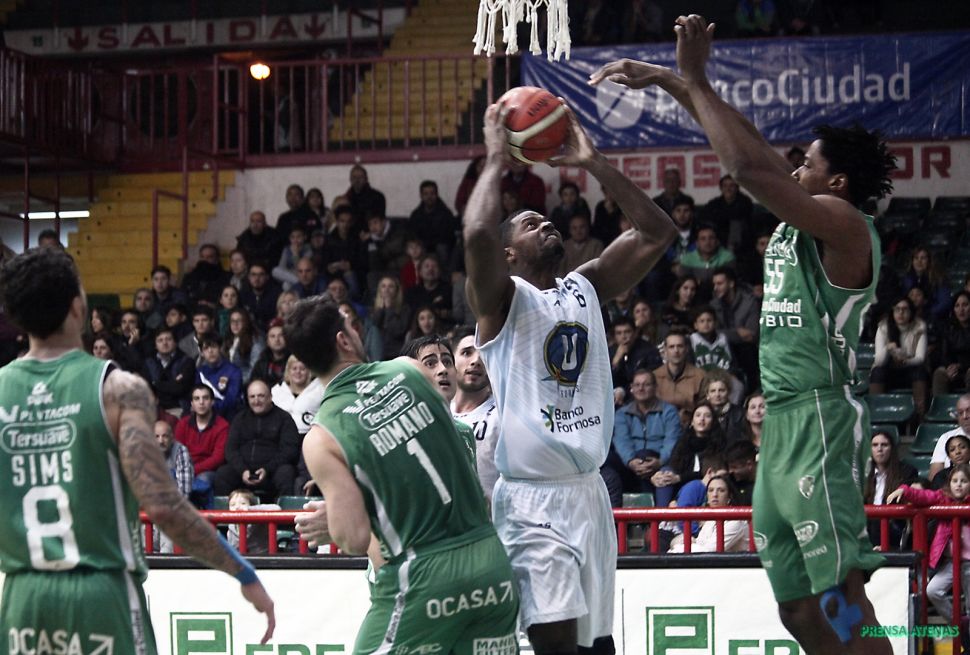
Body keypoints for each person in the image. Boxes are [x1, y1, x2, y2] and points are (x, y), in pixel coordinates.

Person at [590, 17, 896, 652]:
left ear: (837, 183)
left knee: (841, 594)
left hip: (819, 416)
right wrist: (671, 81)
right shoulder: (805, 212)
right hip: (780, 420)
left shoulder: (844, 224)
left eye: (807, 164)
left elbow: (748, 168)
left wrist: (695, 77)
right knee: (796, 607)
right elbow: (750, 146)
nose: (795, 167)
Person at [464, 96, 676, 654]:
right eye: (530, 224)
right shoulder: (502, 301)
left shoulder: (584, 286)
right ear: (508, 255)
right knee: (555, 642)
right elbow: (476, 237)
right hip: (530, 501)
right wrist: (495, 160)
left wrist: (594, 162)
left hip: (589, 493)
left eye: (545, 219)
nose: (546, 223)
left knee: (596, 647)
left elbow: (658, 232)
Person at [0, 248, 274, 648]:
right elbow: (163, 506)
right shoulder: (118, 390)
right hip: (101, 592)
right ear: (78, 307)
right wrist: (243, 572)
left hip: (22, 599)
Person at [286, 298, 520, 653]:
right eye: (352, 327)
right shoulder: (411, 371)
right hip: (490, 564)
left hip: (423, 576)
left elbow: (353, 538)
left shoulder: (322, 437)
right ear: (344, 340)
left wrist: (336, 519)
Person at [887, 465, 970, 622]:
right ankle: (960, 623)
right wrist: (905, 490)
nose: (959, 484)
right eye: (955, 481)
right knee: (932, 590)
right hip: (951, 561)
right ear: (949, 483)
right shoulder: (943, 497)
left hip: (969, 563)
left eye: (964, 481)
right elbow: (924, 496)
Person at [214, 378, 301, 498]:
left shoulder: (284, 418)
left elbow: (289, 451)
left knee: (286, 473)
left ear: (270, 397)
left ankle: (285, 510)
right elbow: (231, 449)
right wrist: (242, 470)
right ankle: (225, 510)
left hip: (272, 472)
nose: (256, 401)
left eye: (261, 396)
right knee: (222, 474)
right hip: (243, 472)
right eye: (252, 397)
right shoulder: (240, 419)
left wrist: (267, 469)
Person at [450, 328, 501, 499]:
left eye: (484, 354)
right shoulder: (438, 411)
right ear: (451, 360)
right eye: (467, 353)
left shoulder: (502, 415)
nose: (476, 361)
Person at [613, 369, 682, 493]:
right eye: (637, 385)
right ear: (631, 388)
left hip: (660, 461)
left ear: (655, 387)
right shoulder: (622, 414)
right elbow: (622, 441)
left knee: (664, 476)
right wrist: (631, 461)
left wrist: (660, 461)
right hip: (630, 464)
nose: (641, 388)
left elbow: (672, 440)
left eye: (646, 384)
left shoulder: (669, 411)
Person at [869, 296, 929, 417]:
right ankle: (875, 414)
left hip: (910, 369)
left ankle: (920, 416)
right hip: (889, 371)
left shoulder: (919, 326)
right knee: (877, 372)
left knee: (920, 372)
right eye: (897, 309)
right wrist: (887, 348)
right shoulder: (883, 327)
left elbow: (920, 358)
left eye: (905, 309)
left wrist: (905, 361)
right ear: (892, 311)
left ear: (911, 312)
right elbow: (879, 361)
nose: (901, 313)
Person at [862, 430, 917, 551]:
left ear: (892, 448)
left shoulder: (907, 471)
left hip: (895, 528)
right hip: (868, 529)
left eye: (884, 445)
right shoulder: (864, 474)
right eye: (875, 445)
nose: (879, 449)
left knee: (877, 521)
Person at [668, 474, 749, 552]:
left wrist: (676, 550)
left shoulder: (736, 520)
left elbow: (708, 551)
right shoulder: (710, 521)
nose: (715, 494)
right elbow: (699, 544)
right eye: (711, 490)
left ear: (729, 497)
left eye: (721, 490)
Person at [175, 384, 230, 488]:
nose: (201, 402)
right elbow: (177, 452)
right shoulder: (183, 424)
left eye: (205, 398)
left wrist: (193, 470)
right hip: (184, 468)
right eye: (197, 399)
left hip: (208, 471)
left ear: (212, 402)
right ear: (192, 404)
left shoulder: (222, 426)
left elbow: (218, 458)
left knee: (202, 480)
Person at [653, 328, 705, 426]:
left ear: (686, 349)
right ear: (665, 350)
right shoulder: (654, 377)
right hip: (660, 425)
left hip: (690, 426)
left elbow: (704, 407)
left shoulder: (700, 376)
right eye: (671, 347)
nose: (676, 351)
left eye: (680, 346)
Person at [142, 326, 196, 416]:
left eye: (168, 339)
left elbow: (180, 388)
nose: (165, 343)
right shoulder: (149, 363)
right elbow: (146, 389)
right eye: (160, 340)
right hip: (155, 409)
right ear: (155, 345)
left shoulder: (186, 361)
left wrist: (156, 383)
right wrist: (172, 384)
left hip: (179, 408)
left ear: (175, 342)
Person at [271, 355, 325, 436]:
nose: (298, 372)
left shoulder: (320, 391)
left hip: (310, 436)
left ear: (309, 371)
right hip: (279, 436)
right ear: (288, 371)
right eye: (294, 368)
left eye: (302, 369)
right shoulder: (277, 391)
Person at [196, 333, 243, 420]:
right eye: (206, 348)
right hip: (205, 415)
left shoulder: (233, 371)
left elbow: (231, 400)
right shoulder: (200, 372)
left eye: (213, 347)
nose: (210, 351)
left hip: (230, 417)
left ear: (220, 348)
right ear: (202, 353)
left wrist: (209, 407)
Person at [932, 291, 970, 395]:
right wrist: (949, 366)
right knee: (939, 373)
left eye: (965, 305)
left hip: (967, 367)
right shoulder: (948, 328)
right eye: (957, 306)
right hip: (955, 369)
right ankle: (940, 405)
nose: (961, 309)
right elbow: (944, 354)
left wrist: (961, 365)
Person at [929, 394, 970, 481]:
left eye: (969, 411)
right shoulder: (946, 438)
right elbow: (935, 479)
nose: (965, 416)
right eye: (960, 413)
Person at [372, 275, 412, 360]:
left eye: (391, 286)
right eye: (383, 286)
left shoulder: (405, 309)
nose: (387, 289)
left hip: (397, 353)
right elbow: (374, 327)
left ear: (396, 290)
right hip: (377, 353)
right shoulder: (374, 310)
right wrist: (381, 310)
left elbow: (398, 331)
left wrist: (389, 309)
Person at [726, 439, 758, 505]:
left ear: (749, 464)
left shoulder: (766, 483)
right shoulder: (730, 481)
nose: (730, 471)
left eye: (734, 467)